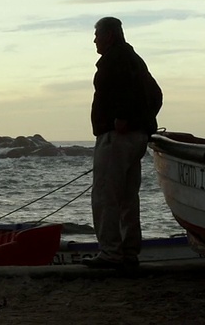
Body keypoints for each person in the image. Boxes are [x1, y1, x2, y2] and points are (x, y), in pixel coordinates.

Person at [82, 17, 162, 275]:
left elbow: (128, 94)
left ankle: (111, 253)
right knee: (128, 197)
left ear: (109, 35)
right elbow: (156, 94)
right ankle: (128, 253)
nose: (94, 40)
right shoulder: (135, 60)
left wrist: (123, 119)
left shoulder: (114, 60)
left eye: (97, 35)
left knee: (106, 195)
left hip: (116, 137)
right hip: (136, 137)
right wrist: (145, 121)